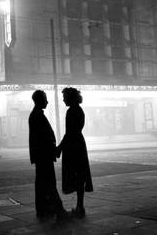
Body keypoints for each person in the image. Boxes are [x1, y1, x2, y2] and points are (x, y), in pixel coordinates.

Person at [29, 90, 69, 221]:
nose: (47, 101)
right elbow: (43, 139)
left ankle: (44, 209)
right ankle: (58, 209)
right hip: (44, 156)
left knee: (42, 183)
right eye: (45, 99)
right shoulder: (37, 116)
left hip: (42, 155)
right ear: (39, 100)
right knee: (49, 183)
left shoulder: (37, 115)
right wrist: (54, 150)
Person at [57, 87, 93, 218]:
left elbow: (69, 132)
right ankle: (80, 206)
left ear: (70, 97)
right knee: (80, 175)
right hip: (78, 143)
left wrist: (60, 147)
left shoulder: (72, 111)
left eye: (65, 97)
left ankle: (80, 207)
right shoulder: (79, 110)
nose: (63, 100)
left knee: (77, 175)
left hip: (73, 145)